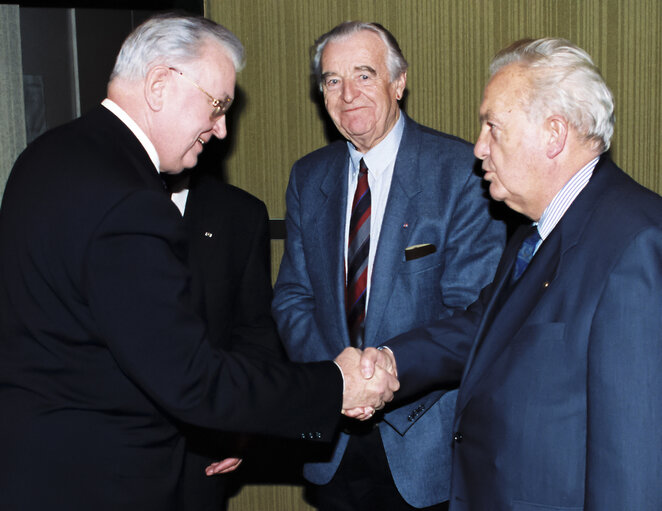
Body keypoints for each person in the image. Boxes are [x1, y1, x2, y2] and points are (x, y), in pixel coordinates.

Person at [0, 13, 398, 511]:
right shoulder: (129, 198)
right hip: (105, 482)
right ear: (160, 85)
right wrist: (334, 385)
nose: (221, 128)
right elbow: (192, 378)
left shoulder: (46, 155)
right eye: (217, 105)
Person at [360, 37, 662, 510]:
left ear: (554, 134)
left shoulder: (634, 244)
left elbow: (633, 464)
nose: (478, 148)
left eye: (493, 127)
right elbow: (486, 327)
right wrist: (392, 361)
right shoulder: (535, 230)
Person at [272, 21, 505, 511]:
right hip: (330, 443)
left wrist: (381, 378)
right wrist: (338, 383)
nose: (348, 94)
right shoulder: (307, 176)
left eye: (364, 75)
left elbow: (473, 313)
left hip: (423, 441)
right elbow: (293, 296)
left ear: (398, 83)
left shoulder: (461, 172)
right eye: (332, 81)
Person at [166, 166, 286, 510]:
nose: (217, 129)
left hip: (202, 452)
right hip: (104, 451)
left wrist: (240, 421)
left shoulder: (239, 213)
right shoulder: (99, 199)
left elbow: (255, 332)